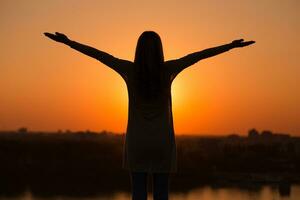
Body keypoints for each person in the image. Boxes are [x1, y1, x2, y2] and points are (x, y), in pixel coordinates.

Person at [44, 31, 255, 200]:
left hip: (137, 143)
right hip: (162, 143)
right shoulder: (168, 70)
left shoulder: (129, 69)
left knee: (138, 193)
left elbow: (99, 55)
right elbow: (198, 56)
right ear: (160, 50)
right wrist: (230, 46)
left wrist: (69, 42)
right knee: (161, 194)